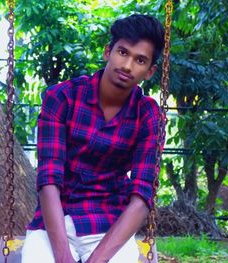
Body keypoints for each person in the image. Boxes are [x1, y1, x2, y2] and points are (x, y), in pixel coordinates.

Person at [22, 14, 165, 263]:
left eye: (140, 60)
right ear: (107, 51)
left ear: (150, 71)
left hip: (108, 224)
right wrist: (63, 257)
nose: (128, 65)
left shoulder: (148, 115)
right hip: (55, 222)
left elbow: (142, 195)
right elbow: (49, 181)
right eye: (122, 52)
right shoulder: (62, 98)